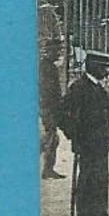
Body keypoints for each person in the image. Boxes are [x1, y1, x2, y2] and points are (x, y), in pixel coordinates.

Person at [59, 49, 109, 216]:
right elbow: (62, 113)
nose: (106, 71)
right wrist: (73, 134)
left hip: (101, 141)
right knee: (87, 179)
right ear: (92, 66)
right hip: (86, 142)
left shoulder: (98, 87)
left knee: (101, 178)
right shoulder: (79, 87)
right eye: (103, 67)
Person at [40, 35, 66, 179]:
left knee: (50, 138)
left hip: (49, 107)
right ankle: (47, 169)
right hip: (47, 108)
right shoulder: (45, 67)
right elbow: (47, 91)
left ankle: (48, 168)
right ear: (49, 51)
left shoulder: (49, 66)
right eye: (57, 51)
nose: (59, 54)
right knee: (51, 138)